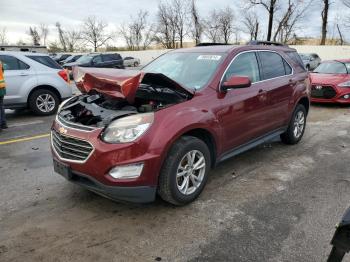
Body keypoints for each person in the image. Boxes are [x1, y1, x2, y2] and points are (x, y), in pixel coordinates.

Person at [0, 60, 7, 132]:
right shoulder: (0, 62)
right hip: (1, 87)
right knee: (1, 106)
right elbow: (2, 72)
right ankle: (3, 124)